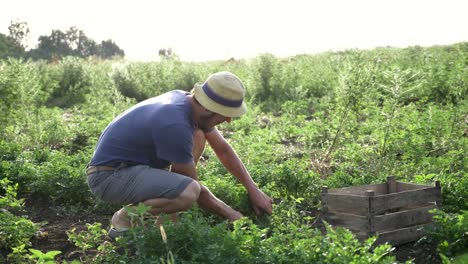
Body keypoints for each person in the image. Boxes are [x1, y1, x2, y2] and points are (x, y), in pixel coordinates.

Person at [86, 71, 273, 237]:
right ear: (208, 108)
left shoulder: (188, 104)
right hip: (109, 177)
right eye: (225, 114)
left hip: (133, 169)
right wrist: (232, 215)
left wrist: (253, 189)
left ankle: (167, 214)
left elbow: (222, 149)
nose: (229, 120)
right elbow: (193, 188)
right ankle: (124, 219)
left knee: (198, 135)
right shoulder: (174, 124)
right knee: (188, 191)